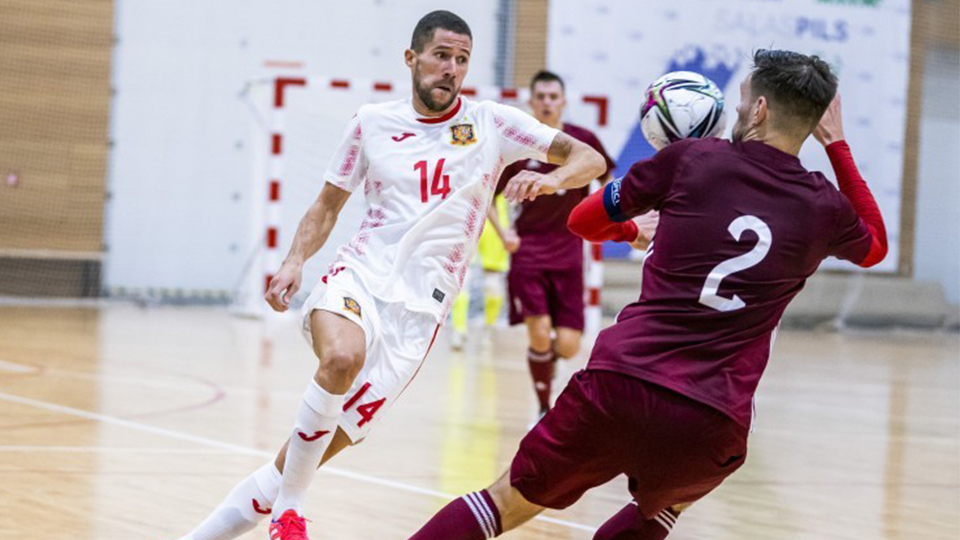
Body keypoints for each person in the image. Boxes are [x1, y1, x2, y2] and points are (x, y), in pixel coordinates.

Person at [405, 50, 887, 540]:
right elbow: (876, 247)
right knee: (659, 512)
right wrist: (838, 145)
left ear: (760, 109)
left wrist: (634, 230)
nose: (734, 114)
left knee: (500, 506)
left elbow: (584, 220)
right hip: (713, 416)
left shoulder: (691, 159)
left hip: (621, 383)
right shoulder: (825, 207)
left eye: (741, 103)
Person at [172, 10, 606, 540]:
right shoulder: (371, 122)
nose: (451, 69)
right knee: (341, 357)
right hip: (361, 274)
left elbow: (591, 159)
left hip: (419, 317)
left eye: (462, 60)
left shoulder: (493, 123)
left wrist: (552, 178)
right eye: (442, 55)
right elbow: (327, 206)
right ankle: (292, 511)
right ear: (413, 58)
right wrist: (293, 260)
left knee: (294, 461)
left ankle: (253, 512)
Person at [494, 70, 619, 417]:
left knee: (567, 344)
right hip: (529, 251)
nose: (548, 102)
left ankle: (544, 364)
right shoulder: (517, 145)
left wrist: (616, 220)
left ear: (563, 101)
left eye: (554, 97)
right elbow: (487, 197)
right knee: (539, 332)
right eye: (541, 97)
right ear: (531, 102)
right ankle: (543, 408)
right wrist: (504, 233)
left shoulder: (582, 141)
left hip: (569, 251)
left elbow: (610, 182)